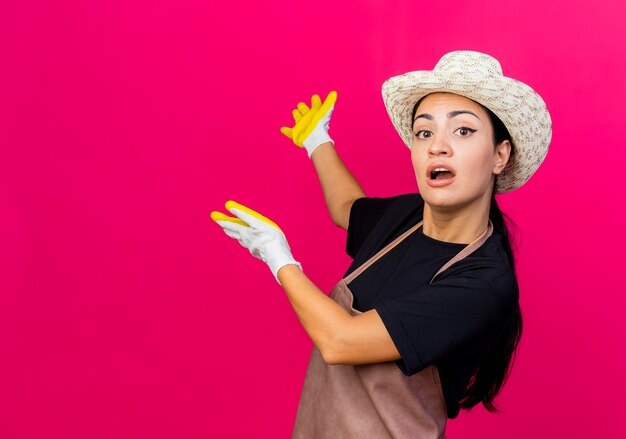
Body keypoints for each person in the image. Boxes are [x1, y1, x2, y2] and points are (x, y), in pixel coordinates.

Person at [210, 50, 552, 438]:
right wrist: (317, 142)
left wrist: (278, 257)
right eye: (425, 132)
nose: (437, 146)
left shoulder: (482, 283)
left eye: (463, 130)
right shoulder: (408, 217)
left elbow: (341, 341)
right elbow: (348, 209)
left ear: (500, 155)